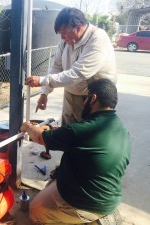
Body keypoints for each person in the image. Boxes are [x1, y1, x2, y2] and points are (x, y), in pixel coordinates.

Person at [21, 79, 131, 225]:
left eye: (85, 98)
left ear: (93, 99)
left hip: (86, 203)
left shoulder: (83, 129)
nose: (83, 102)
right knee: (55, 179)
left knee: (36, 211)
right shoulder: (123, 130)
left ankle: (82, 218)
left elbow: (40, 137)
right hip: (110, 198)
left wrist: (27, 127)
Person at [26, 7, 117, 125]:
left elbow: (78, 73)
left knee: (87, 135)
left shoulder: (97, 39)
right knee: (68, 129)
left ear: (78, 28)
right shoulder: (65, 42)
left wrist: (42, 80)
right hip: (71, 92)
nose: (62, 38)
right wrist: (44, 93)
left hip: (93, 98)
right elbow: (56, 67)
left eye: (64, 33)